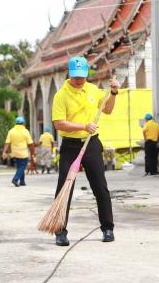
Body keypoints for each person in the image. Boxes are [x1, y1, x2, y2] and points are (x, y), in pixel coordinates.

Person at [52, 56, 120, 246]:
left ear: (86, 74)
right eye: (75, 76)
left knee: (100, 187)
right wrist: (83, 126)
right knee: (64, 189)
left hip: (91, 144)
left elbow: (107, 110)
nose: (79, 80)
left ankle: (108, 228)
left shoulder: (93, 90)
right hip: (70, 146)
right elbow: (59, 123)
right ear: (69, 74)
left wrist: (113, 93)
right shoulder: (61, 95)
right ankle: (60, 231)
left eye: (82, 76)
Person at [2, 116, 36, 187]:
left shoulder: (11, 131)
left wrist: (4, 152)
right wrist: (33, 151)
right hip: (23, 152)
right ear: (23, 123)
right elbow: (30, 143)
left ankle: (22, 181)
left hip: (14, 152)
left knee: (20, 166)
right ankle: (15, 179)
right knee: (23, 166)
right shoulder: (25, 131)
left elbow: (7, 143)